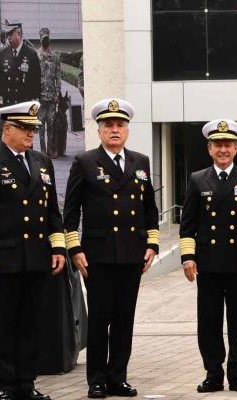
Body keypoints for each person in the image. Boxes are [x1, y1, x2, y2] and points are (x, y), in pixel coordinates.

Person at [0, 100, 66, 400]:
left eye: (33, 128)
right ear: (7, 129)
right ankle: (5, 386)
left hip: (36, 257)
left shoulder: (41, 161)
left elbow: (52, 211)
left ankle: (27, 383)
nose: (31, 133)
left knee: (30, 324)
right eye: (24, 128)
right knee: (4, 325)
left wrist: (57, 246)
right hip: (4, 258)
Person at [63, 98, 159, 399]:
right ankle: (97, 380)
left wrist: (153, 244)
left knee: (123, 318)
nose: (114, 130)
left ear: (127, 129)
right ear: (100, 130)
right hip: (98, 255)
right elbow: (71, 210)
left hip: (131, 254)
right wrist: (74, 247)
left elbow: (149, 209)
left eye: (120, 125)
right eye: (108, 126)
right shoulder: (85, 162)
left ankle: (118, 377)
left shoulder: (140, 161)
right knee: (100, 318)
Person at [179, 119, 237, 393]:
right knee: (209, 323)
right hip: (208, 264)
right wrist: (188, 258)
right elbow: (188, 224)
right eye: (218, 144)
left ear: (236, 148)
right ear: (209, 148)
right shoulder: (197, 179)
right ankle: (213, 374)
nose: (223, 149)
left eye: (228, 144)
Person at [0, 20, 40, 146]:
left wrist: (34, 110)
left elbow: (36, 85)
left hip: (24, 108)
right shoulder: (3, 54)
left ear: (18, 34)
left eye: (10, 35)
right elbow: (0, 81)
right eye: (7, 35)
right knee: (9, 144)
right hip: (8, 107)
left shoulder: (31, 55)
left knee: (25, 144)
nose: (8, 38)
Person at [37, 27, 61, 156]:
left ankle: (51, 150)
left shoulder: (55, 57)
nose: (45, 41)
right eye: (43, 39)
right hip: (40, 96)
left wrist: (57, 93)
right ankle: (42, 150)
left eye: (46, 39)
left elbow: (58, 76)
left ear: (49, 39)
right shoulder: (36, 56)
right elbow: (34, 76)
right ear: (40, 40)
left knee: (51, 124)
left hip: (52, 96)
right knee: (40, 125)